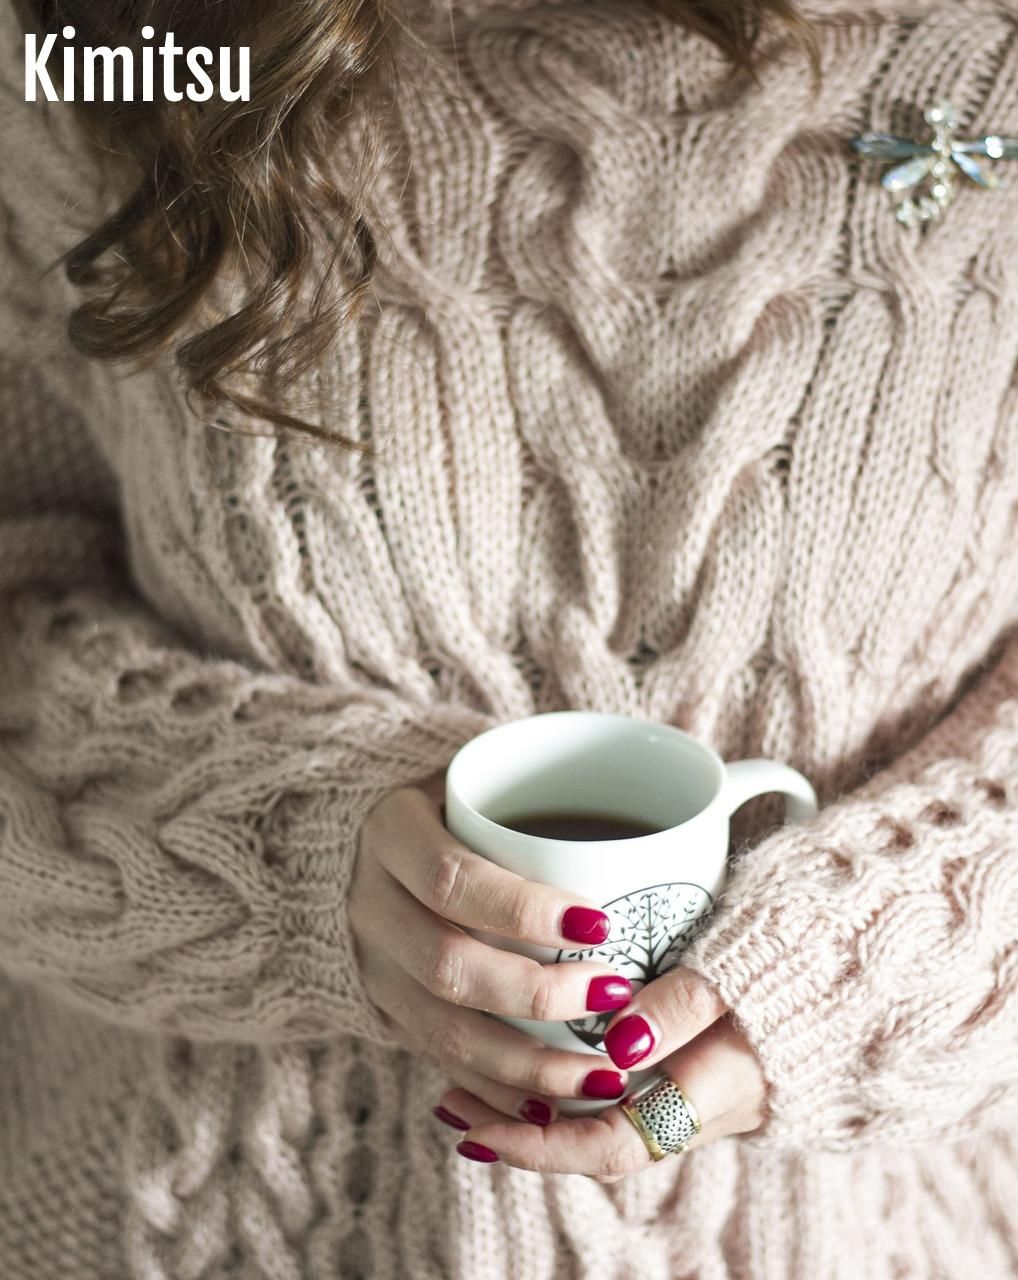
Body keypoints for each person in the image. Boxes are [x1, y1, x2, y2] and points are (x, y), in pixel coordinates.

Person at [1, 0, 1016, 1275]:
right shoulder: (118, 42)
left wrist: (855, 967)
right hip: (190, 1221)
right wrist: (284, 850)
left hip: (878, 1235)